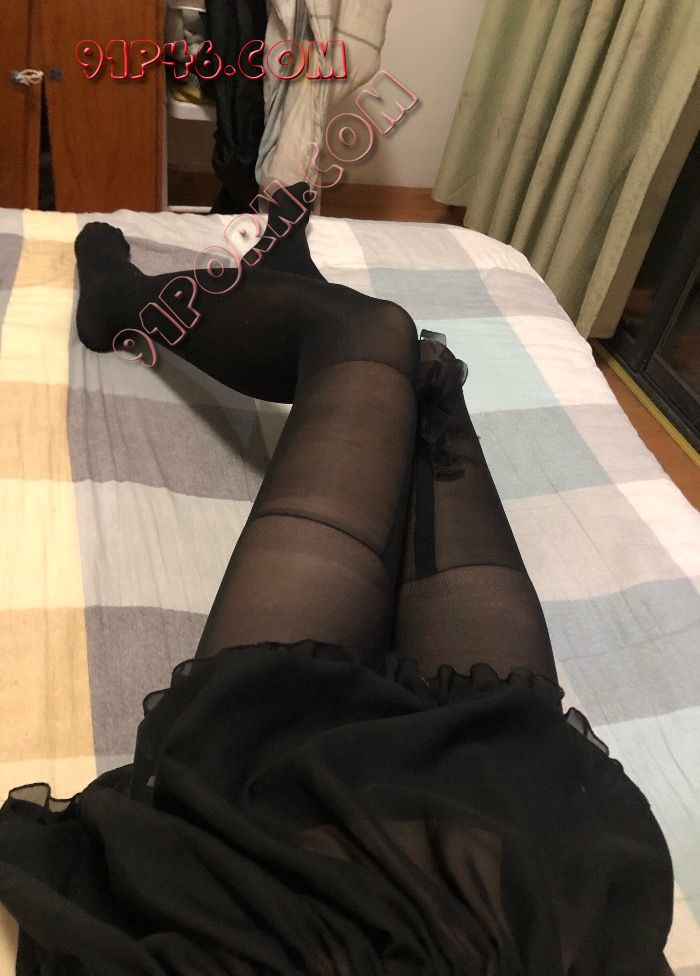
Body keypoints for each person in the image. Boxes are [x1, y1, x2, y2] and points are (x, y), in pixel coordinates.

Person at [0, 185, 673, 975]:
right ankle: (282, 281)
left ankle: (130, 302)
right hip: (513, 887)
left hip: (277, 871)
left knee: (373, 335)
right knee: (421, 377)